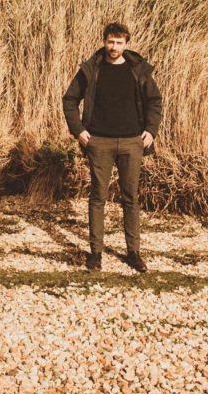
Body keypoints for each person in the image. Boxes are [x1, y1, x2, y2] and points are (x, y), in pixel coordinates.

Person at [62, 22, 163, 273]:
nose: (114, 47)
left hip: (132, 142)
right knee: (98, 197)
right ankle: (95, 253)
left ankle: (133, 253)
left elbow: (155, 101)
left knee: (131, 198)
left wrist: (151, 130)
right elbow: (70, 99)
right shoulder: (91, 69)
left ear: (126, 43)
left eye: (119, 43)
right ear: (104, 41)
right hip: (99, 141)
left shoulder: (137, 70)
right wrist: (79, 131)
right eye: (110, 42)